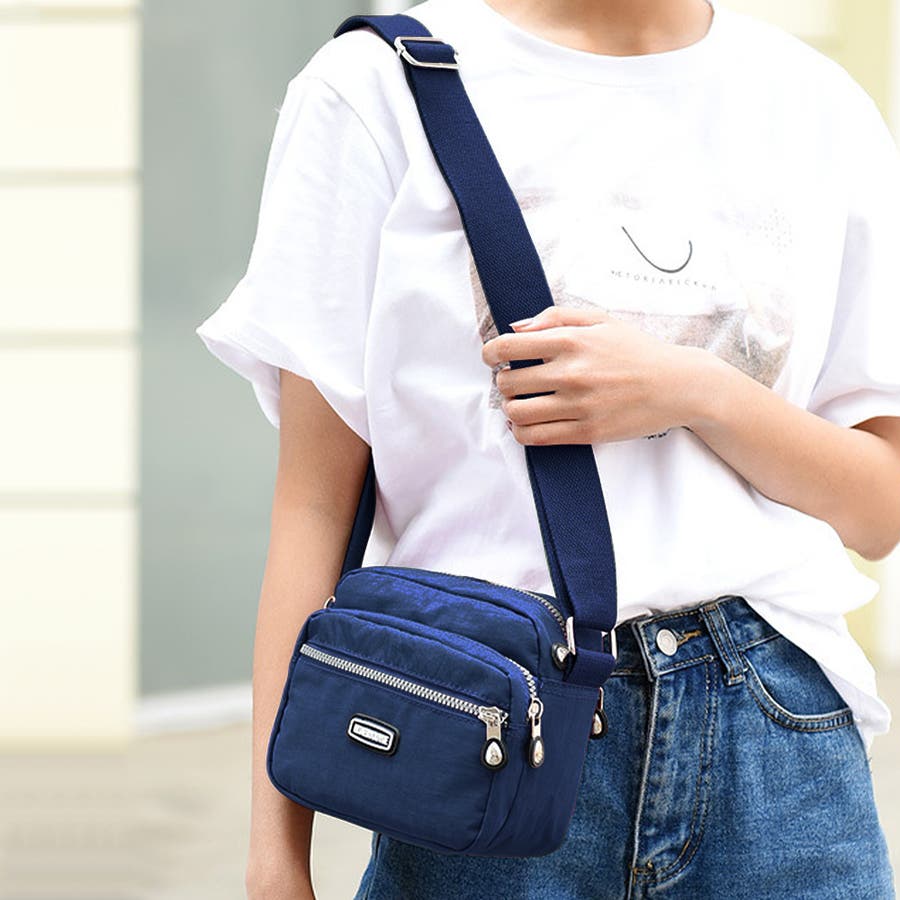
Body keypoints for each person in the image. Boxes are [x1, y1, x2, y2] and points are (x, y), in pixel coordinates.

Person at [195, 0, 900, 896]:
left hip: (773, 735)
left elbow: (879, 509)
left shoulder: (815, 106)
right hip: (489, 723)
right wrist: (275, 863)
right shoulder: (379, 90)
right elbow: (313, 506)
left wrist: (698, 391)